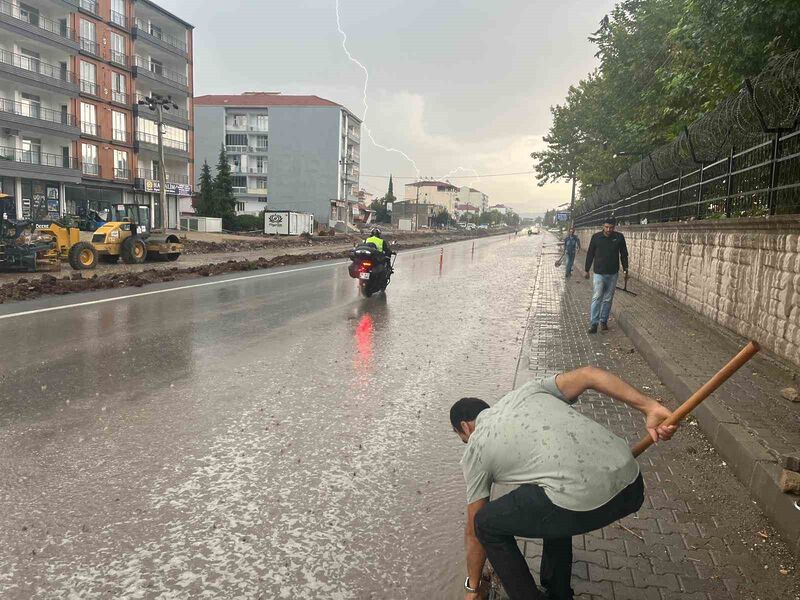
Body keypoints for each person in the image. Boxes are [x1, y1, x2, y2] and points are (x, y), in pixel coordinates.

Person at [451, 368, 677, 600]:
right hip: (632, 484)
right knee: (547, 491)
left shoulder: (475, 447)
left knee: (485, 523)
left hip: (585, 502)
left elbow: (473, 532)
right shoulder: (529, 391)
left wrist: (473, 587)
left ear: (465, 428)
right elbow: (589, 374)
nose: (467, 442)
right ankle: (558, 592)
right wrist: (649, 406)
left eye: (463, 439)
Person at [583, 216, 628, 334]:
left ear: (614, 227)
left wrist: (625, 270)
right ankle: (594, 323)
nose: (608, 230)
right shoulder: (596, 237)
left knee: (608, 299)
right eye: (607, 227)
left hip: (613, 273)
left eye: (611, 227)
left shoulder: (619, 237)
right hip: (599, 273)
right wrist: (586, 269)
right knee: (597, 297)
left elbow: (624, 254)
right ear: (603, 226)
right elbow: (590, 254)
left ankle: (603, 321)